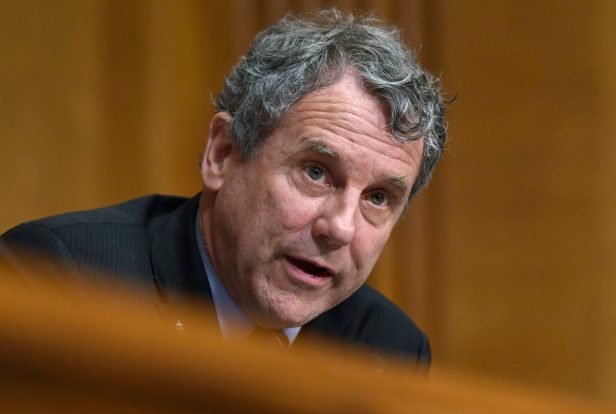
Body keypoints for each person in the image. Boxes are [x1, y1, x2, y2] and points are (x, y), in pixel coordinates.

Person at [0, 9, 446, 369]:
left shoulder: (387, 350)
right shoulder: (56, 279)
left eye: (378, 198)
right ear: (222, 154)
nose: (341, 228)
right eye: (316, 172)